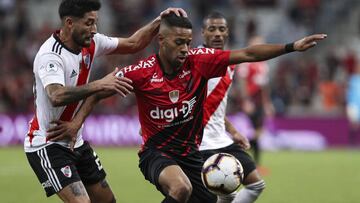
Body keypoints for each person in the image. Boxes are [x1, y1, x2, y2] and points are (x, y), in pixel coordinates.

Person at [50, 13, 326, 203]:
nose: (185, 48)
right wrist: (76, 124)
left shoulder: (200, 61)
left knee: (207, 198)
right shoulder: (142, 72)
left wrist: (292, 46)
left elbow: (248, 54)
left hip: (191, 155)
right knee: (181, 188)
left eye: (188, 42)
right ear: (162, 41)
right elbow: (98, 91)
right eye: (179, 42)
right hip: (155, 154)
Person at [24, 0, 186, 202]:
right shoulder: (51, 55)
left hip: (76, 142)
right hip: (48, 143)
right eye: (89, 23)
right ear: (69, 23)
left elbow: (134, 43)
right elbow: (56, 95)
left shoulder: (92, 43)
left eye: (95, 22)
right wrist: (101, 84)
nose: (94, 29)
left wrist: (158, 21)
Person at [198, 12, 265, 203]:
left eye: (221, 29)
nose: (217, 34)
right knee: (223, 195)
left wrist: (233, 131)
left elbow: (215, 106)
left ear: (227, 33)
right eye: (212, 29)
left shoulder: (230, 64)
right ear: (203, 33)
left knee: (255, 185)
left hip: (222, 139)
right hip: (199, 144)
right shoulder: (195, 61)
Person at [237, 36, 274, 171]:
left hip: (259, 101)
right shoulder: (246, 63)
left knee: (259, 132)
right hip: (251, 100)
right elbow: (242, 82)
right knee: (254, 131)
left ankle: (254, 164)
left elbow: (264, 86)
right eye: (257, 44)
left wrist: (267, 103)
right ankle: (245, 157)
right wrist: (246, 101)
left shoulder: (263, 65)